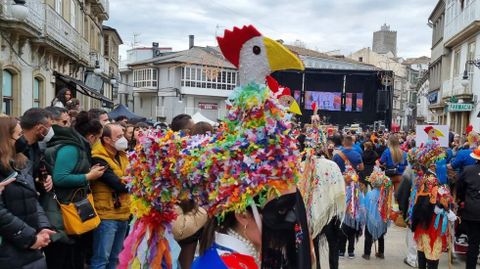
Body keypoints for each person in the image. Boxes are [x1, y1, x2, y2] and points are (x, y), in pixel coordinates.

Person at [42, 111, 106, 269]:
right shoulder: (71, 148)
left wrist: (88, 172)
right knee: (67, 257)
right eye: (98, 138)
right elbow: (60, 178)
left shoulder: (77, 146)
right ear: (91, 137)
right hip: (63, 208)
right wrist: (88, 176)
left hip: (70, 206)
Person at [0, 117, 55, 269]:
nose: (23, 140)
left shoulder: (21, 163)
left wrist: (43, 228)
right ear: (5, 139)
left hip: (30, 249)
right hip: (10, 251)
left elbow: (32, 198)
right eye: (18, 136)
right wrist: (31, 238)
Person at [90, 123, 131, 269]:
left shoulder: (123, 155)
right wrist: (131, 181)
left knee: (115, 258)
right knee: (102, 258)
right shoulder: (98, 158)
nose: (123, 139)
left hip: (123, 213)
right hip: (106, 215)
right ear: (107, 140)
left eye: (123, 135)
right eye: (119, 136)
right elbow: (118, 184)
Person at [411, 142, 455, 269]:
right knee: (431, 252)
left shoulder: (425, 177)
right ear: (432, 164)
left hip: (423, 220)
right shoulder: (431, 179)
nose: (439, 164)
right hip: (430, 221)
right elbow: (432, 201)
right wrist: (446, 209)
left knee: (423, 249)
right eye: (437, 161)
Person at [333, 136, 364, 259]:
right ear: (352, 143)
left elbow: (333, 170)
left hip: (341, 188)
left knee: (341, 217)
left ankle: (341, 250)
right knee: (353, 215)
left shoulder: (337, 155)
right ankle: (351, 250)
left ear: (343, 143)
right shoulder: (357, 154)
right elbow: (361, 167)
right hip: (354, 190)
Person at [456, 146, 480, 269]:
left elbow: (459, 187)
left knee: (473, 243)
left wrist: (461, 199)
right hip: (473, 211)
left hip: (472, 211)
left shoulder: (467, 170)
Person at [362, 169, 392, 260]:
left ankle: (367, 254)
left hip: (371, 220)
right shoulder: (384, 195)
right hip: (381, 220)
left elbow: (365, 206)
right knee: (381, 236)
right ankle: (381, 252)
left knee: (368, 236)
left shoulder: (369, 194)